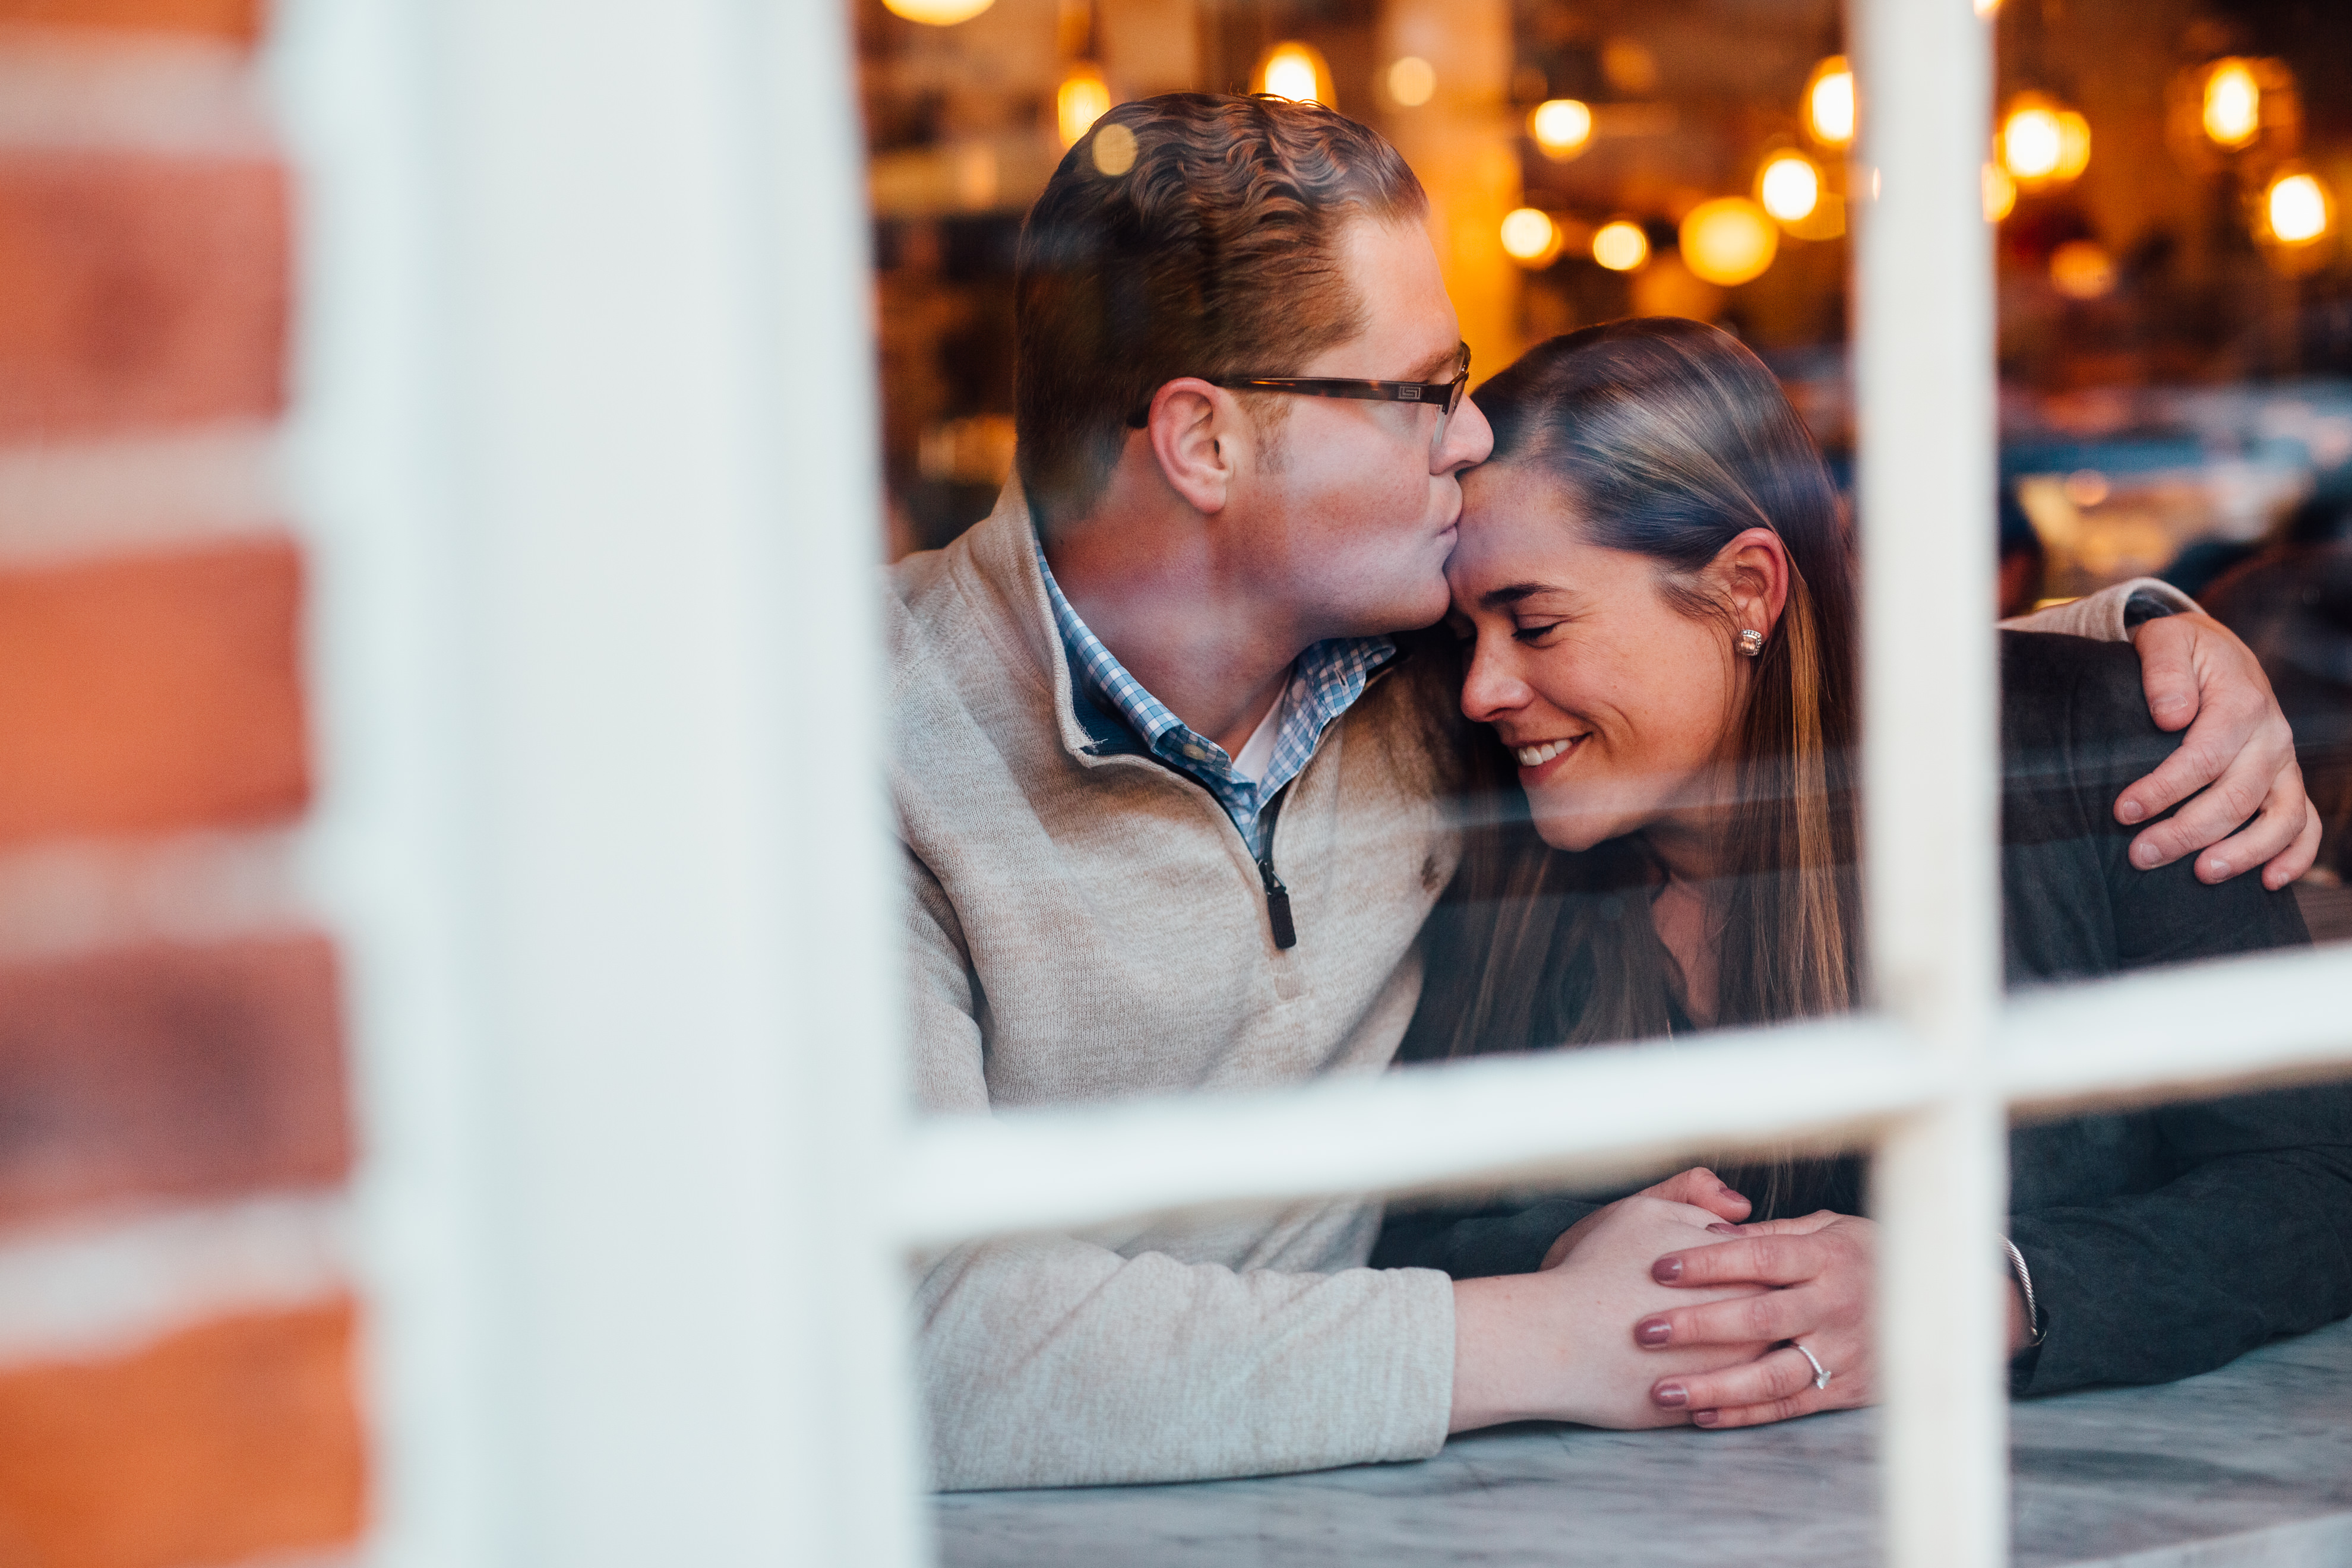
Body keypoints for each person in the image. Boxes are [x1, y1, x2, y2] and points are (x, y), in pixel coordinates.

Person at [892, 93, 2318, 1490]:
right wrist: (1544, 1334)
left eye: (1532, 625)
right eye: (1421, 393)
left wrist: (2155, 647)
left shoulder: (1396, 672)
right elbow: (912, 1336)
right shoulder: (864, 752)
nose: (1464, 441)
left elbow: (1772, 665)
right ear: (1204, 443)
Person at [1379, 318, 2352, 1428]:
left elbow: (2311, 1186)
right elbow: (1392, 1221)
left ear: (1747, 590)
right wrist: (1562, 1251)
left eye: (1536, 624)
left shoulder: (2102, 753)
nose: (1483, 690)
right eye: (1465, 639)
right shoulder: (1475, 835)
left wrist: (1977, 1294)